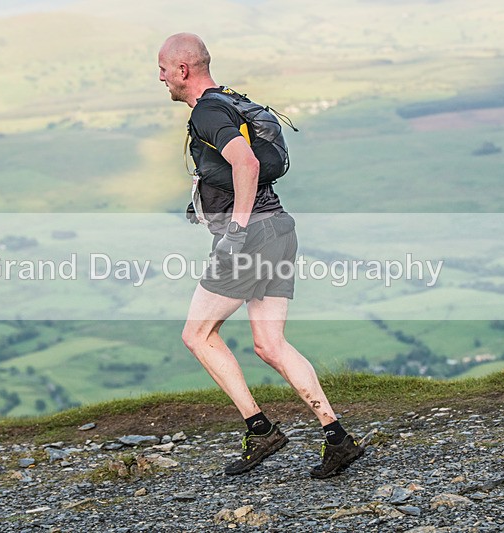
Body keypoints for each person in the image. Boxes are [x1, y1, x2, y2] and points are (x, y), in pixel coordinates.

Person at [157, 32, 364, 479]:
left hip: (251, 238)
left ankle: (261, 428)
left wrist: (235, 229)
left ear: (183, 70)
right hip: (279, 229)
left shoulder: (209, 112)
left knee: (197, 335)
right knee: (270, 345)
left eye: (163, 69)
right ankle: (338, 438)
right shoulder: (228, 101)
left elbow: (246, 164)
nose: (160, 77)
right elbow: (233, 170)